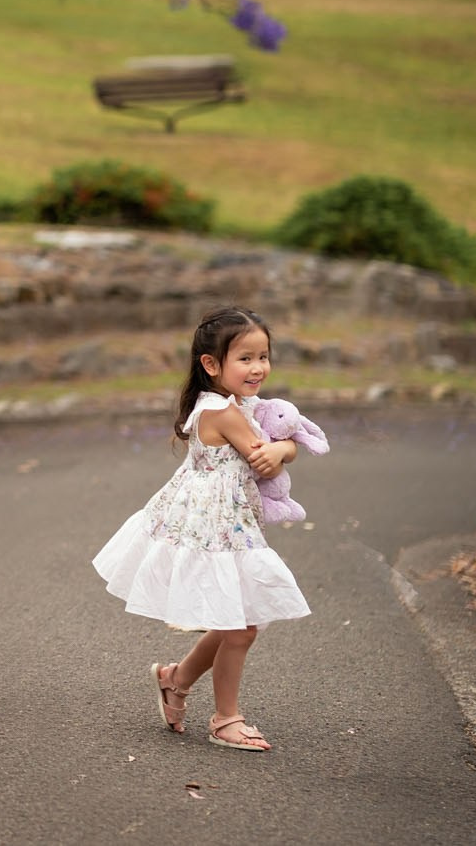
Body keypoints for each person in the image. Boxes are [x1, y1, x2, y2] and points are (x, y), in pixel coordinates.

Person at [91, 306, 310, 753]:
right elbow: (266, 459)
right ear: (211, 364)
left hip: (229, 526)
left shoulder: (236, 405)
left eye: (263, 356)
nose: (258, 368)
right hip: (215, 534)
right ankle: (226, 718)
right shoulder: (221, 412)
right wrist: (287, 446)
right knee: (241, 627)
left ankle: (176, 679)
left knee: (236, 621)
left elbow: (269, 451)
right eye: (245, 359)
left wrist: (284, 446)